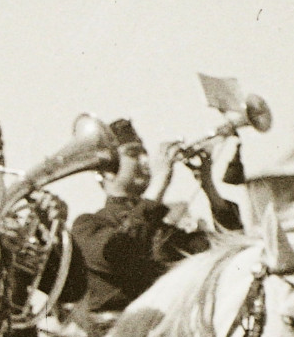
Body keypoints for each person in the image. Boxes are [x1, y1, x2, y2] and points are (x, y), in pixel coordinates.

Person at [71, 119, 209, 317]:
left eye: (144, 152)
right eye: (133, 154)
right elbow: (119, 252)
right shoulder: (87, 224)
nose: (146, 161)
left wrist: (209, 187)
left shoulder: (159, 227)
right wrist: (159, 185)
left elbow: (219, 251)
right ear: (106, 171)